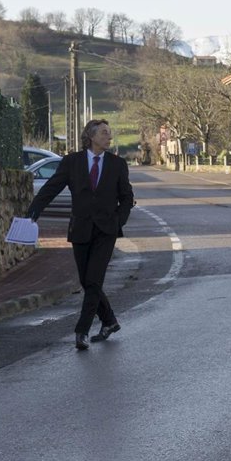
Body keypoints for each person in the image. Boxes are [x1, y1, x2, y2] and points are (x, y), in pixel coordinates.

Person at [27, 119, 135, 351]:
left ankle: (81, 331)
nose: (109, 137)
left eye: (110, 133)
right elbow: (52, 187)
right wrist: (34, 210)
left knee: (94, 280)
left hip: (106, 231)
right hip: (80, 229)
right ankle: (109, 320)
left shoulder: (117, 164)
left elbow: (127, 196)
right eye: (104, 133)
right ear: (91, 136)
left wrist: (119, 220)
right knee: (87, 281)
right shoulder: (72, 162)